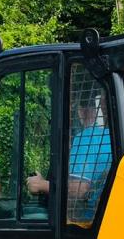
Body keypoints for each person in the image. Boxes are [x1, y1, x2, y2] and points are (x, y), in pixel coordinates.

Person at [26, 93, 112, 222]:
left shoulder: (89, 138)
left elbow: (79, 190)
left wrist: (42, 185)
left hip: (86, 225)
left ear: (80, 111)